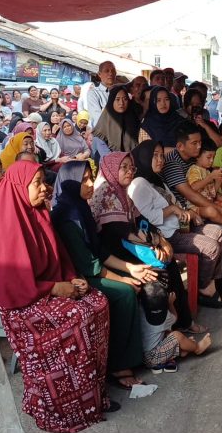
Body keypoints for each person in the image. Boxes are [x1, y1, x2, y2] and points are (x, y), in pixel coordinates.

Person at [0, 160, 114, 432]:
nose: (44, 188)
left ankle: (91, 396)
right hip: (12, 303)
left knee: (98, 302)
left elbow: (57, 257)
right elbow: (11, 282)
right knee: (78, 315)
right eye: (36, 183)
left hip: (37, 290)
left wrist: (71, 279)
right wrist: (55, 288)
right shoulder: (3, 224)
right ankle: (62, 406)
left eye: (43, 182)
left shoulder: (37, 213)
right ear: (19, 186)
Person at [51, 161, 149, 387]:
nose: (90, 184)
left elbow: (99, 251)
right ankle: (119, 365)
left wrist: (130, 268)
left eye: (90, 177)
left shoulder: (81, 208)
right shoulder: (67, 217)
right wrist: (124, 278)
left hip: (90, 270)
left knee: (141, 277)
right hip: (78, 277)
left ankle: (139, 350)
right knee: (125, 293)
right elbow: (89, 265)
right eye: (83, 180)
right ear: (71, 183)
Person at [92, 152, 205, 331]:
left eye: (131, 167)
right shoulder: (106, 193)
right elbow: (122, 232)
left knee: (168, 261)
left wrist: (161, 241)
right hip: (115, 256)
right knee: (157, 275)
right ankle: (161, 334)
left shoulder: (123, 193)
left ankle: (183, 322)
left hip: (131, 247)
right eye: (123, 167)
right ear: (111, 169)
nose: (129, 171)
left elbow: (141, 219)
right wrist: (154, 244)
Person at [130, 140, 222, 307]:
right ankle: (204, 289)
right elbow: (147, 218)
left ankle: (210, 284)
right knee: (211, 247)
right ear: (144, 157)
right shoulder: (139, 184)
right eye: (155, 156)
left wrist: (188, 212)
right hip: (166, 236)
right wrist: (172, 210)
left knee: (218, 232)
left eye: (162, 155)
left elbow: (175, 202)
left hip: (179, 227)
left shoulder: (156, 180)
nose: (160, 160)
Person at [138, 281, 211, 373]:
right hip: (153, 358)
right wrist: (171, 304)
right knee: (177, 336)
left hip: (141, 355)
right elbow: (175, 318)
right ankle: (197, 348)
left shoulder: (140, 309)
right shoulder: (165, 318)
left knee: (167, 333)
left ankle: (182, 350)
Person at [92, 85, 140, 155]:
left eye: (125, 99)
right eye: (117, 99)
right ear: (111, 101)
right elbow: (105, 155)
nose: (121, 103)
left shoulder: (134, 121)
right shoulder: (103, 126)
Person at [139, 86, 181, 151]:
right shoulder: (147, 126)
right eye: (158, 100)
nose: (163, 103)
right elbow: (148, 151)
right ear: (152, 102)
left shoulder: (180, 121)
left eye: (166, 99)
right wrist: (177, 151)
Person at [86, 61, 116, 126]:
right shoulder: (93, 93)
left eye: (113, 71)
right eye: (107, 71)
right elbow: (98, 118)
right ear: (99, 74)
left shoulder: (120, 92)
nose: (111, 73)